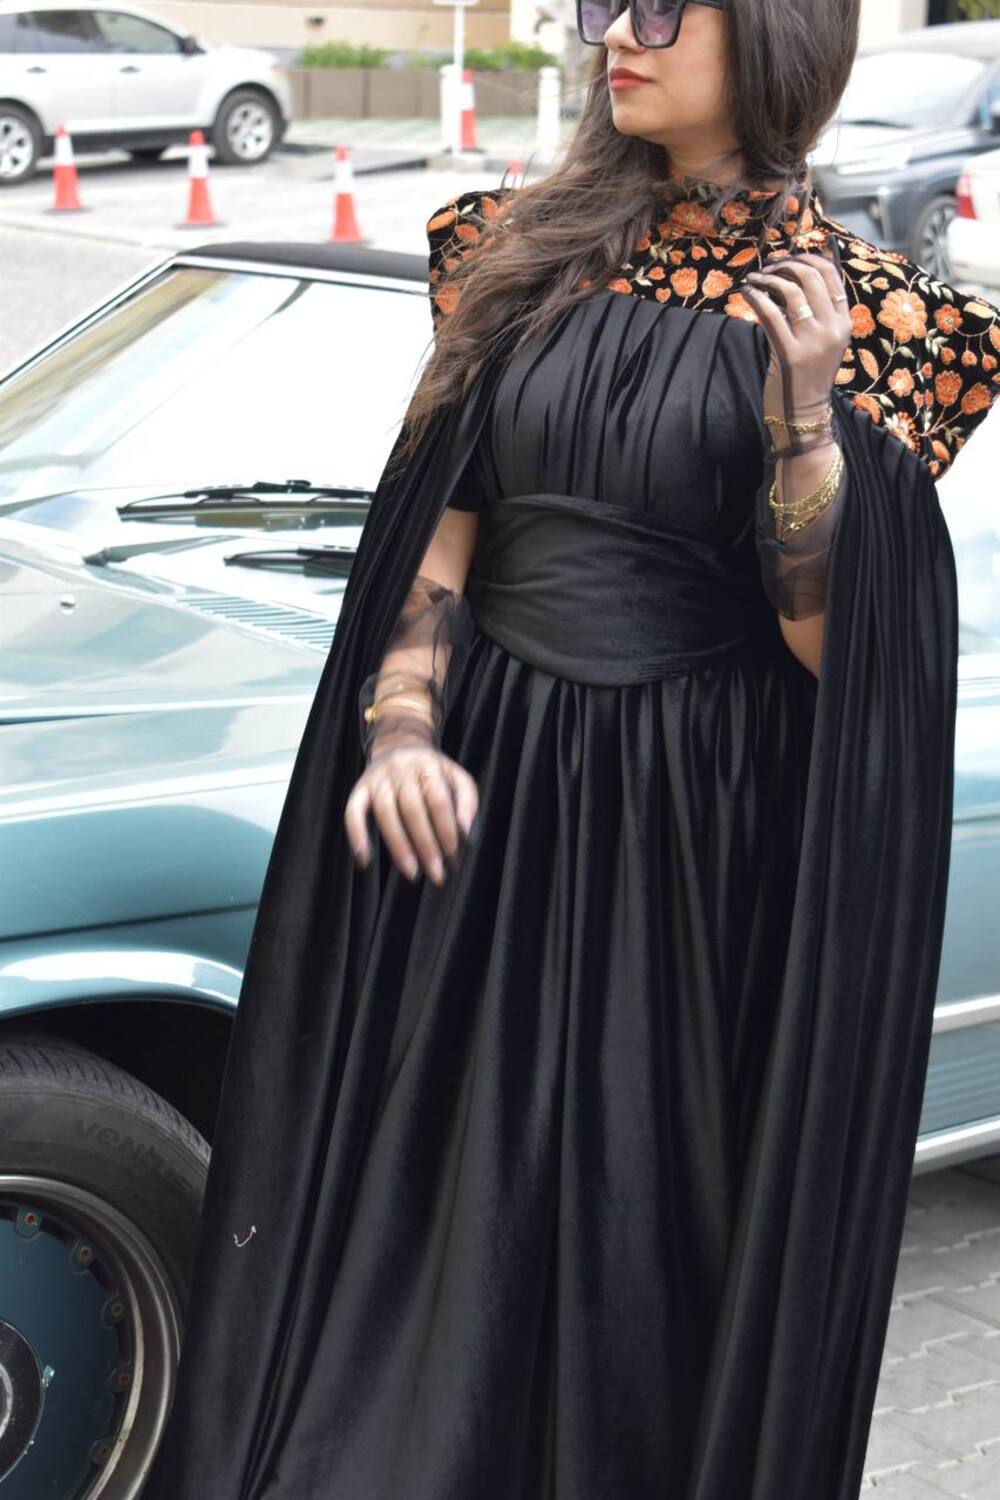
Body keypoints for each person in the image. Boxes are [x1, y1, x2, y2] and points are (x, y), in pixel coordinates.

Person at [141, 2, 1000, 1497]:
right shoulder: (506, 251)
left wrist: (805, 424)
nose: (618, 34)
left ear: (782, 35)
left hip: (692, 861)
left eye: (665, 6)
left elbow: (837, 656)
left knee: (641, 1253)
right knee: (416, 1259)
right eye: (604, 2)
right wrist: (400, 731)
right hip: (479, 822)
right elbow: (436, 551)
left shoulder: (899, 325)